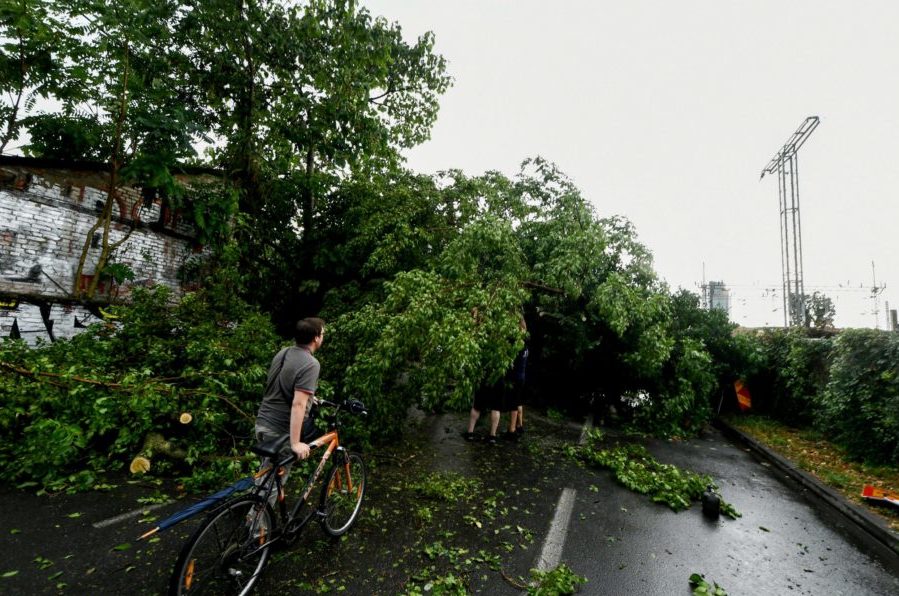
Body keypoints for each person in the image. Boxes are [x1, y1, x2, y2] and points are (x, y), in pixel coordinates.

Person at [254, 317, 325, 503]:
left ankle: (254, 514)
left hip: (262, 422)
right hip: (280, 430)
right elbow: (298, 405)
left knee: (265, 475)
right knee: (273, 485)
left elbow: (281, 385)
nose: (323, 337)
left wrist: (310, 397)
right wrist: (295, 443)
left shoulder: (284, 352)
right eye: (323, 333)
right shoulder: (311, 363)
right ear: (316, 338)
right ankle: (257, 529)